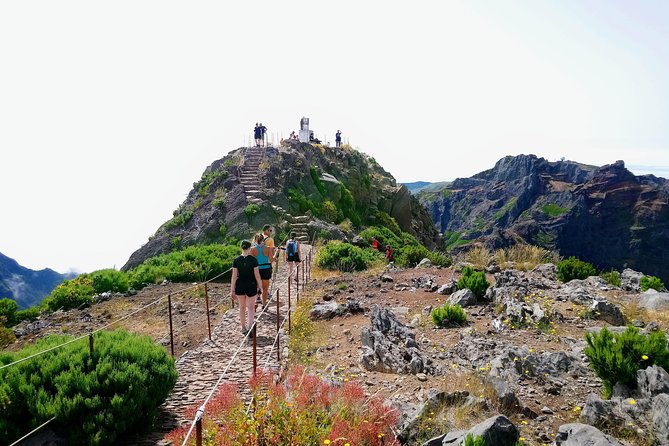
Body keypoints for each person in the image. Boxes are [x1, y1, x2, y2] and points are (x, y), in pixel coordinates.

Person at [231, 240, 263, 335]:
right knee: (251, 307)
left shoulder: (236, 260)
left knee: (242, 307)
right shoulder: (253, 260)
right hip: (251, 285)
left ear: (241, 247)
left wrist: (232, 290)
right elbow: (257, 276)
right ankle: (250, 327)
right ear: (250, 248)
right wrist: (260, 287)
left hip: (240, 285)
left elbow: (234, 277)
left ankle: (243, 327)